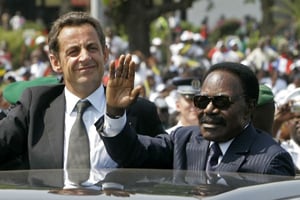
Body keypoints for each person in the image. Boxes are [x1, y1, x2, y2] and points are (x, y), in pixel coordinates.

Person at [0, 11, 165, 174]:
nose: (85, 57)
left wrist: (117, 119)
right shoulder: (35, 104)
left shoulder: (139, 110)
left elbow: (164, 168)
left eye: (92, 48)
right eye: (73, 51)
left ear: (105, 54)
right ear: (56, 62)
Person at [99, 61, 295, 176]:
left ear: (249, 107)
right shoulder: (183, 140)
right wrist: (115, 112)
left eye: (221, 102)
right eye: (202, 101)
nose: (209, 109)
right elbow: (130, 153)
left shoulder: (271, 161)